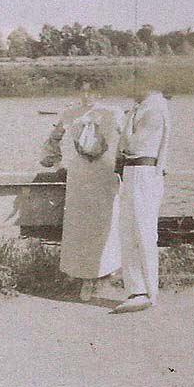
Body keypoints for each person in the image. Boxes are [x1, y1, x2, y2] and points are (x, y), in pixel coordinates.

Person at [40, 89, 125, 301]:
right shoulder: (70, 113)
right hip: (79, 175)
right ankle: (82, 276)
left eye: (93, 90)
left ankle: (107, 272)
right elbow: (53, 139)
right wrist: (54, 160)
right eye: (83, 90)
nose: (87, 95)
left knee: (105, 224)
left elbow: (127, 139)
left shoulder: (113, 112)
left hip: (104, 173)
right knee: (80, 225)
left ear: (101, 91)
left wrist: (124, 165)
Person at [112, 88, 171, 313]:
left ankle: (147, 291)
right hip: (132, 172)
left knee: (144, 232)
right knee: (128, 231)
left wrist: (121, 129)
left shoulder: (155, 108)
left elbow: (132, 145)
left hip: (144, 172)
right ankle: (136, 291)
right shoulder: (141, 107)